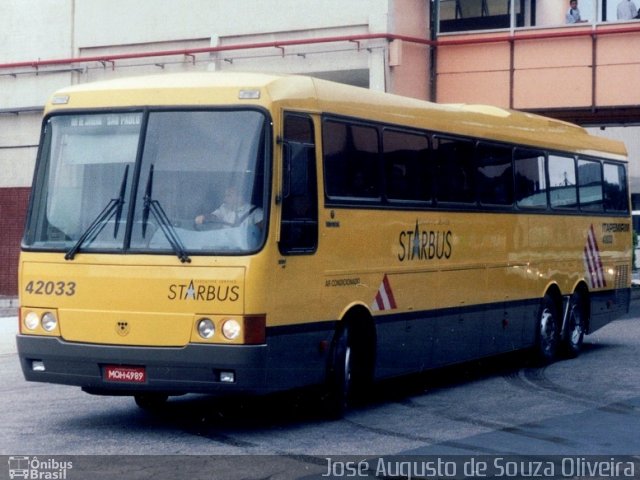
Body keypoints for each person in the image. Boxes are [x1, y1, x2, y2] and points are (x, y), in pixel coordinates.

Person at [195, 185, 263, 227]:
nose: (224, 199)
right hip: (226, 248)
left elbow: (261, 233)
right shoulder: (224, 208)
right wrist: (204, 217)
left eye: (229, 196)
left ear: (240, 197)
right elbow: (213, 216)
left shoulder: (256, 212)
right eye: (225, 196)